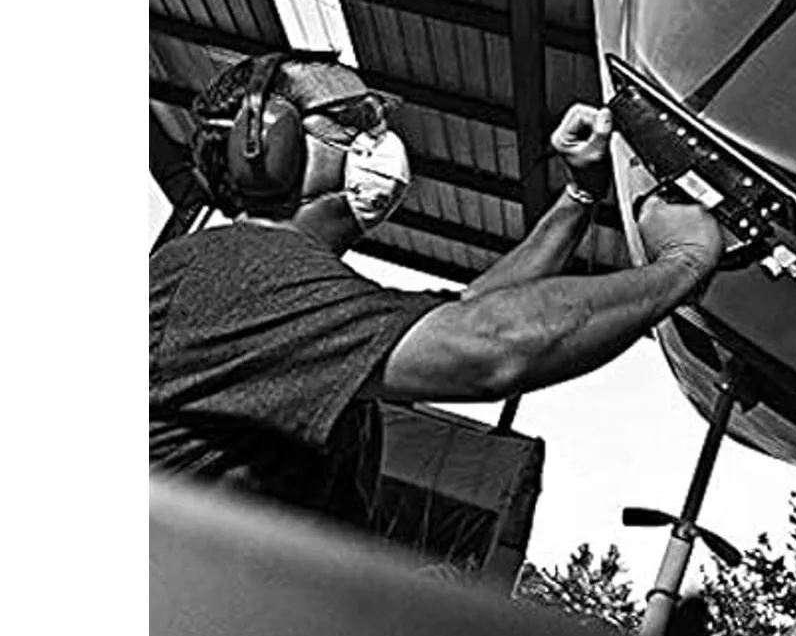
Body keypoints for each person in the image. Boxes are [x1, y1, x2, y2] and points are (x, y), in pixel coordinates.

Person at [150, 50, 725, 532]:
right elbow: (492, 347)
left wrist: (579, 195)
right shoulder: (233, 273)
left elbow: (471, 308)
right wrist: (683, 264)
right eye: (355, 119)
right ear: (267, 147)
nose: (381, 138)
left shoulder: (270, 283)